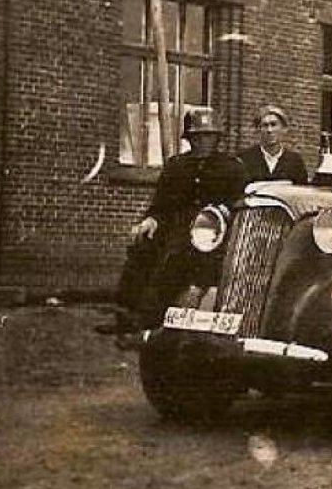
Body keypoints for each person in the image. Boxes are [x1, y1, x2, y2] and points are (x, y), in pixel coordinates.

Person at [100, 108, 248, 342]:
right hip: (177, 224)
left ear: (217, 138)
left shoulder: (231, 167)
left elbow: (237, 200)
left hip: (214, 229)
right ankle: (130, 315)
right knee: (144, 248)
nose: (202, 142)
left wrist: (221, 212)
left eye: (208, 136)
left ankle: (162, 319)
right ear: (189, 139)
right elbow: (161, 202)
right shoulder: (176, 165)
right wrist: (150, 219)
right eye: (197, 137)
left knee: (182, 259)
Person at [237, 104, 308, 184]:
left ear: (284, 129)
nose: (269, 130)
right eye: (265, 125)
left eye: (273, 125)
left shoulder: (295, 162)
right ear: (258, 130)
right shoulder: (245, 159)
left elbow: (301, 192)